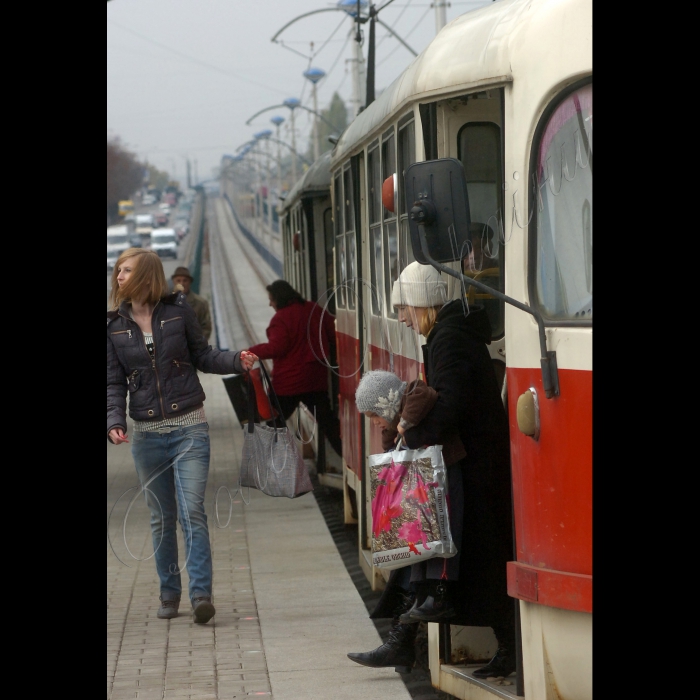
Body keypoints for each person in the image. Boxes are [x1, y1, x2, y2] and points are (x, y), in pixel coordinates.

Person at [348, 261, 516, 679]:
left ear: (421, 304)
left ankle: (502, 648)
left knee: (457, 560)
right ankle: (402, 641)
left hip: (474, 467)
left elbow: (452, 402)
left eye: (403, 307)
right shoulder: (449, 335)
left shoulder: (450, 339)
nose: (402, 317)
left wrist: (410, 434)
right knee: (448, 558)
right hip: (472, 462)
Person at [107, 248, 258, 624]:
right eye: (118, 271)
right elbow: (112, 383)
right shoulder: (113, 327)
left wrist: (236, 360)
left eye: (126, 270)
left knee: (192, 511)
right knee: (161, 517)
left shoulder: (177, 311)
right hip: (146, 436)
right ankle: (169, 592)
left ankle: (201, 593)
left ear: (145, 275)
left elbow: (203, 356)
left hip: (189, 427)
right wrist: (113, 421)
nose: (119, 277)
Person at [247, 280, 342, 461]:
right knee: (329, 425)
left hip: (289, 384)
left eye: (271, 300)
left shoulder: (280, 319)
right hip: (316, 380)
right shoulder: (314, 309)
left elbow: (276, 348)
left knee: (273, 422)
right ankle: (349, 458)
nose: (270, 304)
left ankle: (273, 463)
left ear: (279, 299)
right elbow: (332, 333)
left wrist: (249, 352)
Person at [171, 266, 212, 341]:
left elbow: (206, 328)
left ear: (190, 282)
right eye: (178, 281)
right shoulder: (166, 303)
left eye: (185, 280)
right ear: (174, 282)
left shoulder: (201, 304)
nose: (182, 283)